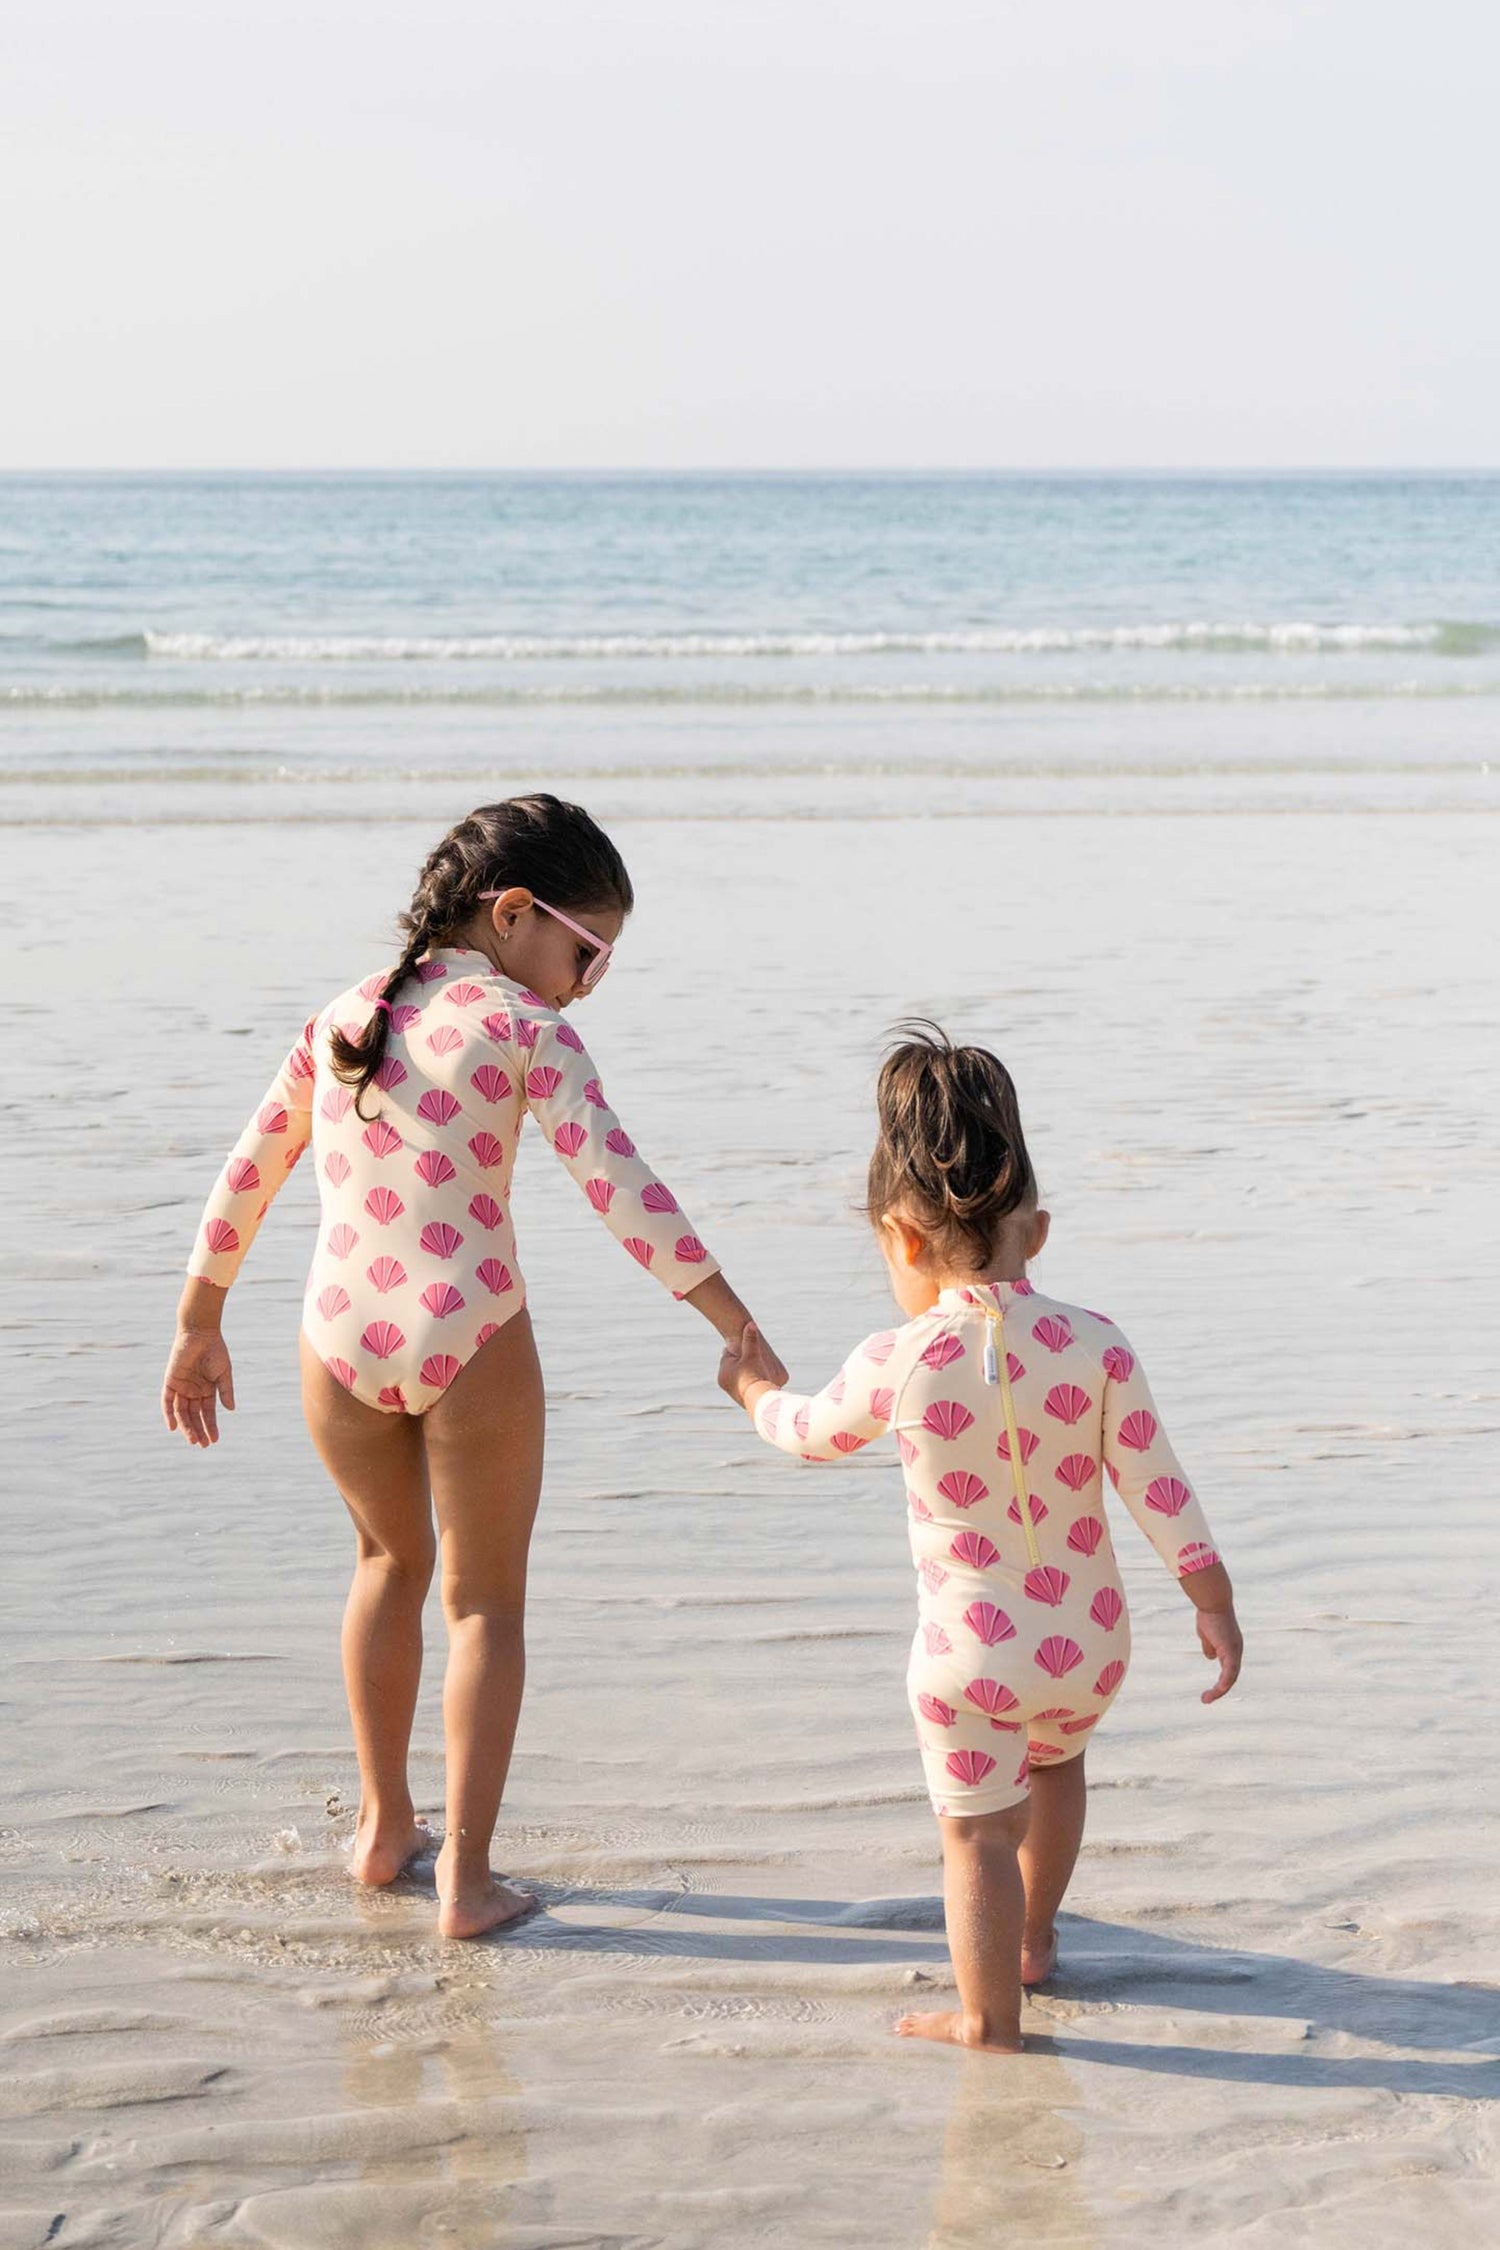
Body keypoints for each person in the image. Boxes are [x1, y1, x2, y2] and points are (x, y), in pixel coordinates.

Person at [162, 793, 782, 1938]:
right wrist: (729, 1318)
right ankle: (469, 1878)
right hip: (469, 1331)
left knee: (384, 1566)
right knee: (485, 1604)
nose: (588, 981)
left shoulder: (345, 1014)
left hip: (336, 1338)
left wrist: (200, 1321)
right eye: (586, 952)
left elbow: (248, 1170)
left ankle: (384, 1829)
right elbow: (623, 1189)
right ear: (511, 915)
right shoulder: (527, 1029)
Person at [718, 1023, 1242, 2052]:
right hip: (1089, 1645)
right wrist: (1212, 1602)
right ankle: (1036, 1939)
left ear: (900, 1243)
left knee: (974, 1838)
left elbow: (809, 1436)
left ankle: (987, 2018)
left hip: (971, 1656)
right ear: (1035, 1232)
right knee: (1056, 1772)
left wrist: (754, 1391)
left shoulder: (900, 1356)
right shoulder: (1097, 1344)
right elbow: (1159, 1488)